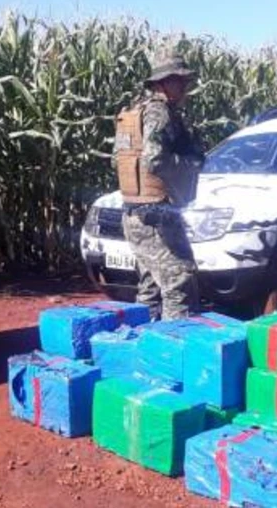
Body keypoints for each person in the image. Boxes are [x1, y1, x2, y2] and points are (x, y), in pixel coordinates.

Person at [111, 48, 204, 321]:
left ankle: (145, 345)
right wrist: (189, 164)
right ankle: (176, 350)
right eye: (180, 82)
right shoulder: (159, 113)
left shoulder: (134, 112)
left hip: (135, 213)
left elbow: (118, 161)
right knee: (180, 282)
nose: (186, 88)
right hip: (156, 215)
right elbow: (154, 160)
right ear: (164, 83)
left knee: (151, 285)